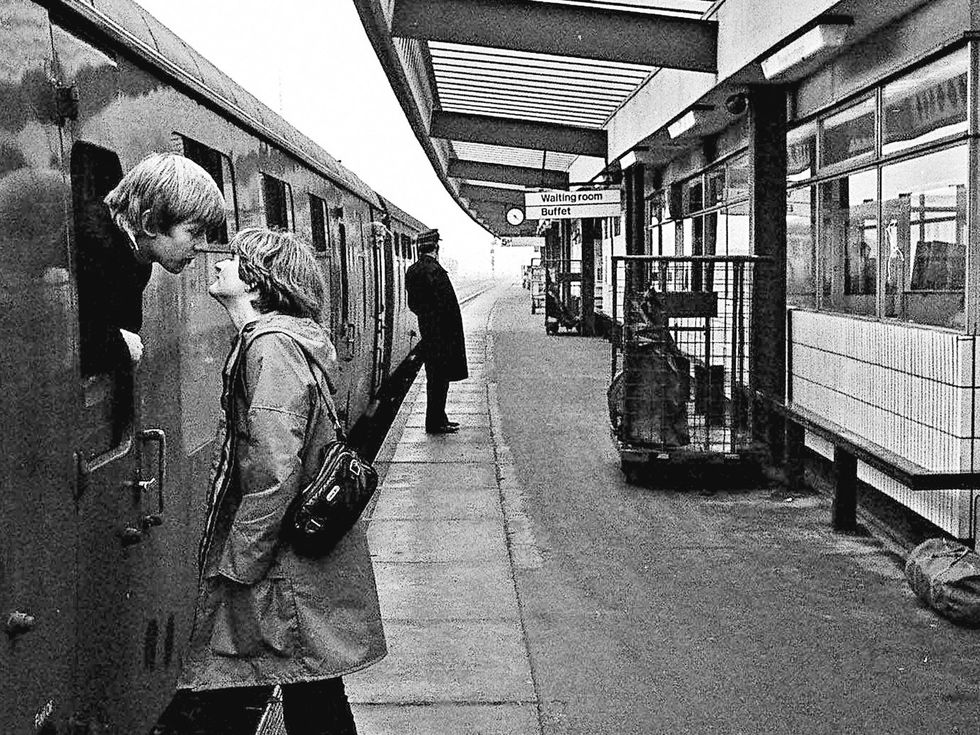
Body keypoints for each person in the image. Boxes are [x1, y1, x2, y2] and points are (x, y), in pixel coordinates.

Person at [177, 228, 386, 735]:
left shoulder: (271, 350)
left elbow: (274, 467)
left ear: (255, 283)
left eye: (234, 258)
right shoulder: (277, 342)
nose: (221, 262)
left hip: (280, 557)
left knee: (286, 678)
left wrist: (238, 563)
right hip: (289, 556)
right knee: (307, 680)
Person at [78, 151, 226, 375]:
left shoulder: (138, 256)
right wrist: (117, 346)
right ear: (150, 223)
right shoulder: (87, 248)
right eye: (194, 232)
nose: (201, 245)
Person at [404, 228, 468, 434]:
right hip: (442, 336)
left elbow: (413, 304)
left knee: (436, 378)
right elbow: (446, 307)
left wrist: (427, 319)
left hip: (428, 332)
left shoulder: (413, 271)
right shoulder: (436, 272)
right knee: (439, 381)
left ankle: (440, 417)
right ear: (436, 247)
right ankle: (435, 423)